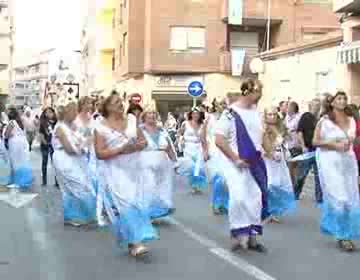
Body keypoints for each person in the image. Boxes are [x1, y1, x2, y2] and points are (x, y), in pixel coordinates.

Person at [94, 94, 158, 257]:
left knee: (137, 202)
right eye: (116, 103)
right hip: (116, 170)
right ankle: (137, 242)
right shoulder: (100, 127)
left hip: (136, 167)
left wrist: (137, 146)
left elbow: (144, 141)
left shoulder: (131, 119)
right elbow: (99, 153)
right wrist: (120, 149)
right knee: (127, 202)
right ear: (107, 107)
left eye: (121, 102)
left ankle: (131, 240)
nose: (121, 105)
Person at [215, 79, 268, 252]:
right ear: (247, 92)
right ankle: (239, 235)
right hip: (235, 163)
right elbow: (219, 140)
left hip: (254, 162)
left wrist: (272, 151)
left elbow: (261, 137)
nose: (260, 95)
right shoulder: (230, 113)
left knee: (255, 197)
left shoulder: (256, 113)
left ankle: (252, 237)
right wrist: (236, 159)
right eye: (258, 91)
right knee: (238, 197)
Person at [313, 91, 360, 252]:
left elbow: (353, 140)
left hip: (348, 163)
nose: (342, 100)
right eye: (339, 98)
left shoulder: (352, 120)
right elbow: (315, 141)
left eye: (344, 98)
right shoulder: (324, 121)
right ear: (332, 103)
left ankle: (342, 231)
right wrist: (334, 145)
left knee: (350, 200)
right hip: (330, 163)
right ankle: (343, 236)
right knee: (340, 199)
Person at [52, 98, 96, 227]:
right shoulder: (60, 127)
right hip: (65, 160)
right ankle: (79, 214)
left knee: (76, 187)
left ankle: (74, 216)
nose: (75, 113)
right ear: (66, 112)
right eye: (73, 111)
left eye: (76, 111)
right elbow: (69, 148)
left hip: (77, 160)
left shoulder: (72, 126)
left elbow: (83, 139)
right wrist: (84, 145)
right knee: (76, 185)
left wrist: (86, 143)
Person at [139, 108, 177, 222]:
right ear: (144, 117)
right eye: (149, 114)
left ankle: (160, 211)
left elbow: (169, 146)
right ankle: (148, 211)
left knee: (164, 186)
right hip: (145, 160)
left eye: (154, 114)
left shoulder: (162, 130)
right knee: (149, 186)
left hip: (163, 161)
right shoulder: (139, 130)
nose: (152, 116)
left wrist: (175, 161)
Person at [263, 106, 296, 223]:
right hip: (267, 161)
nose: (272, 117)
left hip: (279, 161)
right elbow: (261, 146)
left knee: (278, 185)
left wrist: (285, 150)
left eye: (274, 114)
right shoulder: (263, 129)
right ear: (265, 116)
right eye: (269, 114)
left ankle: (272, 212)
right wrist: (270, 154)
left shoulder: (280, 128)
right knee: (270, 184)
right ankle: (266, 211)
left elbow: (286, 141)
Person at [295, 98, 323, 203]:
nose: (317, 107)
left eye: (318, 106)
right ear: (310, 106)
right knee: (301, 175)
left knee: (319, 176)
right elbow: (300, 132)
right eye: (315, 105)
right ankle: (296, 194)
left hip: (319, 151)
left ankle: (319, 198)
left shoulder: (320, 119)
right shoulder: (305, 116)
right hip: (308, 149)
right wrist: (303, 146)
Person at [205, 98, 229, 215]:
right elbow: (202, 135)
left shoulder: (230, 118)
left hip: (227, 151)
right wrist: (205, 150)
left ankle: (225, 204)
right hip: (214, 151)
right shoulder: (210, 118)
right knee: (218, 179)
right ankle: (216, 204)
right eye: (221, 104)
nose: (223, 106)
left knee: (227, 179)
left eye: (225, 104)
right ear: (216, 105)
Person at [177, 107, 208, 194]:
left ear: (200, 115)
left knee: (198, 168)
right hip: (188, 147)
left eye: (197, 114)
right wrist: (181, 140)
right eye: (193, 113)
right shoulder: (185, 123)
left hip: (198, 148)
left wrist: (206, 151)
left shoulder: (202, 125)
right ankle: (193, 185)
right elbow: (179, 133)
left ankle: (195, 186)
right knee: (191, 167)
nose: (195, 115)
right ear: (191, 114)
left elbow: (204, 139)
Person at [4, 107, 33, 190]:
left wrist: (5, 133)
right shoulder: (19, 121)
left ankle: (17, 182)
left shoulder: (11, 122)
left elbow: (7, 134)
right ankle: (22, 180)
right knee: (22, 161)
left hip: (14, 143)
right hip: (22, 143)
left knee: (15, 162)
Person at [284, 101, 302, 186]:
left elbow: (296, 128)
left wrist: (290, 129)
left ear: (293, 108)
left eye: (288, 107)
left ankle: (296, 186)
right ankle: (293, 186)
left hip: (296, 144)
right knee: (290, 167)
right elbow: (284, 127)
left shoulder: (298, 117)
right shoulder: (287, 117)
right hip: (288, 144)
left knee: (296, 167)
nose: (287, 109)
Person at [39, 107, 58, 186]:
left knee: (56, 164)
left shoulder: (56, 123)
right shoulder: (43, 123)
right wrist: (45, 143)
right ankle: (44, 181)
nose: (49, 114)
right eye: (47, 112)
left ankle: (57, 181)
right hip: (45, 145)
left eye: (50, 112)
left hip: (55, 146)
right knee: (44, 162)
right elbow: (41, 134)